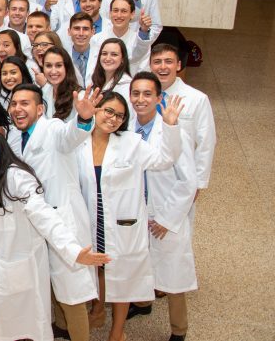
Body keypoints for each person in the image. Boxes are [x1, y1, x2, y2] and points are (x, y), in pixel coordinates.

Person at [0, 130, 110, 341]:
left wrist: (73, 251)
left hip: (24, 265)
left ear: (1, 151)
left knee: (31, 324)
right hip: (2, 264)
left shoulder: (17, 177)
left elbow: (44, 214)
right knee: (6, 321)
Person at [76, 91, 183, 341]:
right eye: (108, 111)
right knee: (98, 269)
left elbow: (164, 160)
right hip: (91, 218)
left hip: (123, 223)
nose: (113, 119)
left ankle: (117, 332)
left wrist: (170, 125)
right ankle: (98, 309)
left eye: (120, 116)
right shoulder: (79, 141)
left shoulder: (131, 142)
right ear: (96, 109)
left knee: (123, 275)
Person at [8, 84, 103, 341]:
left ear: (40, 109)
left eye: (25, 103)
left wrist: (83, 118)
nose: (18, 108)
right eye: (14, 103)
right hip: (36, 222)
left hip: (63, 221)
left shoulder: (53, 129)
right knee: (51, 281)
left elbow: (72, 135)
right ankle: (61, 329)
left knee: (72, 291)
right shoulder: (16, 137)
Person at [127, 72, 198, 341]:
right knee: (139, 263)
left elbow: (188, 181)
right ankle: (143, 304)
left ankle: (179, 329)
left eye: (147, 94)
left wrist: (167, 219)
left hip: (165, 213)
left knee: (172, 274)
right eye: (136, 93)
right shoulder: (127, 128)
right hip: (136, 211)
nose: (140, 99)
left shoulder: (171, 129)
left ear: (159, 98)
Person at [149, 44, 216, 195]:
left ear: (178, 65)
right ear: (150, 65)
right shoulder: (141, 97)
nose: (163, 67)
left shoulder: (197, 99)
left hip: (179, 176)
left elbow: (206, 142)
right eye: (157, 61)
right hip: (146, 172)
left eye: (169, 61)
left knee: (176, 216)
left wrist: (198, 183)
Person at [91, 0, 153, 72]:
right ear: (110, 13)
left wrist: (144, 30)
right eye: (115, 10)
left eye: (124, 11)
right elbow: (92, 69)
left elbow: (144, 70)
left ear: (132, 14)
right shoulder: (96, 39)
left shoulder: (141, 41)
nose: (119, 15)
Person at [39, 46, 82, 122]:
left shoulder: (80, 96)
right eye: (48, 66)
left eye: (58, 65)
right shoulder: (44, 91)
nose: (53, 71)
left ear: (67, 67)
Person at [65, 12, 98, 88]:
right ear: (69, 32)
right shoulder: (63, 56)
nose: (81, 33)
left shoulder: (101, 55)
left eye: (85, 29)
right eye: (77, 28)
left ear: (92, 32)